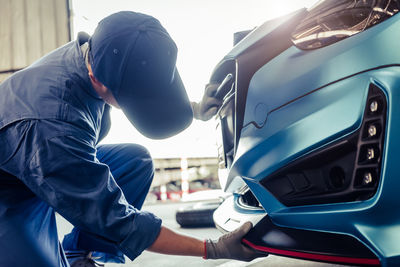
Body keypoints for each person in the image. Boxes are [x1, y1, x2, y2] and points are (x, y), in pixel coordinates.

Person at [0, 11, 265, 267]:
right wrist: (211, 248)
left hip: (39, 159)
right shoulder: (53, 125)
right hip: (12, 192)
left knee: (133, 161)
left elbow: (139, 73)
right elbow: (118, 221)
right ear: (98, 81)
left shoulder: (98, 52)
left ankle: (80, 253)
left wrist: (194, 109)